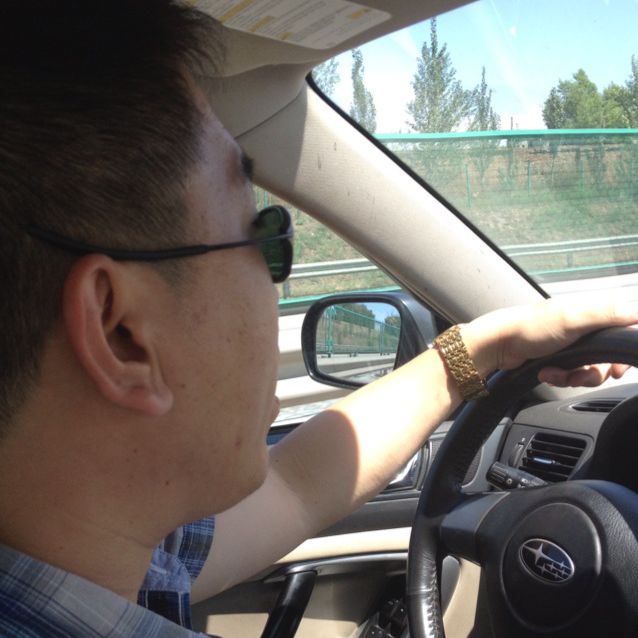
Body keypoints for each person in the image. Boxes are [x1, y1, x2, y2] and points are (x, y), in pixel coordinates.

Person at [0, 1, 634, 636]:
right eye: (263, 234)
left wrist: (485, 346)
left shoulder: (94, 537)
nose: (276, 276)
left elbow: (297, 485)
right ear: (122, 334)